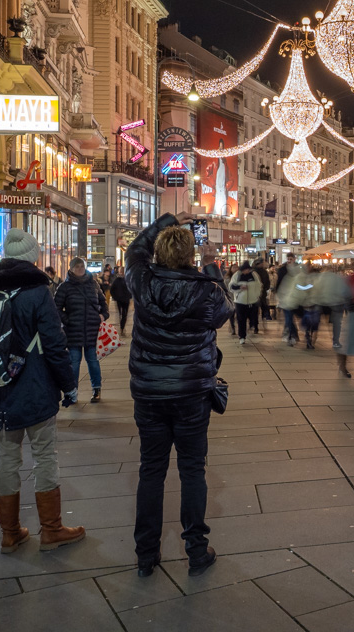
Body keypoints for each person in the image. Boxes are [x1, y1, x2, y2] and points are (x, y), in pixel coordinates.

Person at [126, 212, 233, 579]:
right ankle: (196, 551)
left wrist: (167, 220)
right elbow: (226, 310)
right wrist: (211, 264)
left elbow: (133, 250)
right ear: (190, 256)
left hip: (149, 392)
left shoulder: (142, 280)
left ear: (157, 254)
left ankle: (145, 553)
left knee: (151, 470)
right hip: (191, 393)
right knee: (192, 470)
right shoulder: (205, 289)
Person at [0, 228, 84, 554]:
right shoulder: (37, 292)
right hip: (34, 387)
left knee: (6, 459)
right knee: (45, 456)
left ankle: (10, 533)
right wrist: (68, 385)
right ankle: (51, 529)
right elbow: (55, 343)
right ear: (32, 256)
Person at [54, 258, 109, 403]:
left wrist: (103, 315)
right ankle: (72, 392)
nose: (80, 269)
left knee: (93, 361)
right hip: (73, 331)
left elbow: (103, 303)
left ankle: (96, 389)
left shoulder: (93, 284)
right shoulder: (64, 287)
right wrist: (67, 320)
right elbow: (56, 308)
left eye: (81, 266)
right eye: (76, 267)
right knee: (74, 362)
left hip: (92, 329)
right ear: (71, 269)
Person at [228, 261, 262, 344]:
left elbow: (259, 286)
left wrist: (257, 296)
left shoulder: (254, 275)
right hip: (240, 301)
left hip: (252, 301)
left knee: (253, 317)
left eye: (247, 270)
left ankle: (251, 326)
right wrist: (240, 287)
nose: (246, 271)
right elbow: (231, 287)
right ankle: (242, 336)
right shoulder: (237, 275)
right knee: (241, 320)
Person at [314, 266, 346, 349]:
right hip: (335, 303)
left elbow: (315, 289)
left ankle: (313, 339)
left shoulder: (319, 277)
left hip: (321, 303)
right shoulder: (337, 278)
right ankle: (335, 341)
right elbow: (342, 291)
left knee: (316, 321)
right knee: (336, 323)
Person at [295, 263, 321, 349]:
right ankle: (309, 338)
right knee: (310, 322)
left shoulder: (312, 277)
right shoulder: (302, 277)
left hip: (314, 302)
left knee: (313, 323)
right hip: (308, 303)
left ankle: (310, 338)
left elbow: (313, 287)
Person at [277, 258, 302, 345]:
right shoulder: (295, 278)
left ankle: (291, 336)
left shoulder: (289, 278)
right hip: (289, 303)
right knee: (289, 320)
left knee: (289, 320)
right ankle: (292, 336)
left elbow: (282, 290)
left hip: (289, 303)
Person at [109, 271, 133, 337]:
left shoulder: (117, 281)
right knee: (124, 315)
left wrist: (115, 297)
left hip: (120, 300)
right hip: (124, 300)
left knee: (121, 314)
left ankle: (121, 328)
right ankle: (122, 328)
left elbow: (112, 290)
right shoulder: (128, 280)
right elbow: (131, 289)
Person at [252, 258, 271, 326]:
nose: (263, 264)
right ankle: (256, 322)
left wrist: (266, 288)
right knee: (256, 308)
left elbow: (267, 281)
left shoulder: (264, 271)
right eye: (261, 263)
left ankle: (262, 318)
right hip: (256, 293)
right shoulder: (254, 272)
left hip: (262, 292)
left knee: (262, 306)